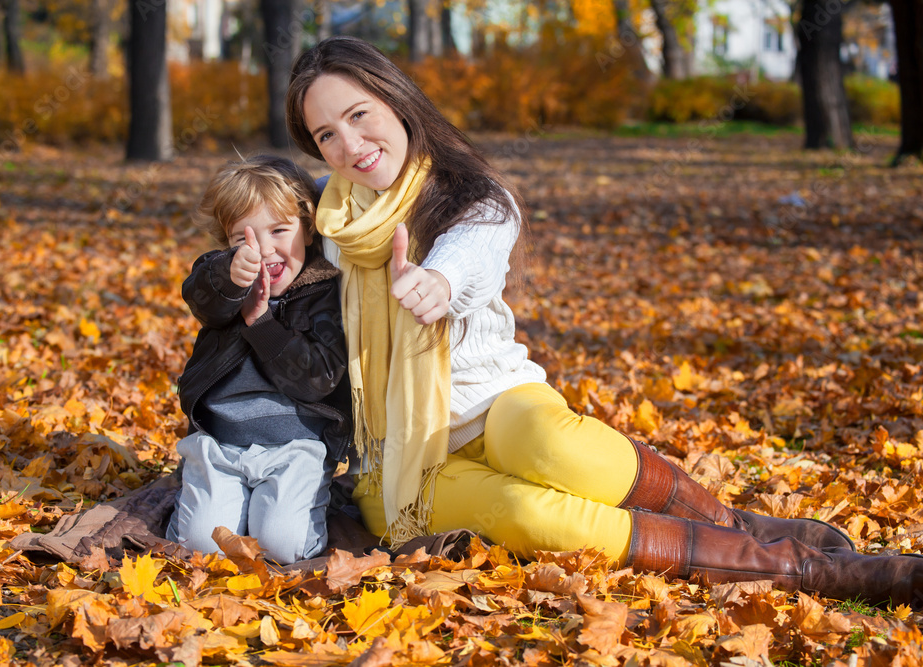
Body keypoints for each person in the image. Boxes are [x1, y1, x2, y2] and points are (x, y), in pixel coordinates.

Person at [283, 36, 923, 609]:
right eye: (326, 134)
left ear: (397, 103)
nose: (350, 145)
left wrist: (436, 284)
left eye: (359, 115)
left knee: (555, 447)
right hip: (396, 460)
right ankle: (803, 567)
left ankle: (730, 524)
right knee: (527, 513)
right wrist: (227, 274)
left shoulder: (475, 199)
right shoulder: (327, 216)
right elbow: (247, 231)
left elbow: (467, 257)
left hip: (498, 401)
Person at [167, 155, 351, 564]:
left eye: (279, 230)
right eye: (242, 239)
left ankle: (289, 505)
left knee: (283, 547)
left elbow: (317, 380)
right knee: (202, 546)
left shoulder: (324, 292)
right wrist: (230, 276)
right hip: (222, 444)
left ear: (307, 227)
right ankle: (210, 496)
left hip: (296, 445)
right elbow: (202, 295)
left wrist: (261, 321)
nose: (263, 249)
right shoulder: (225, 282)